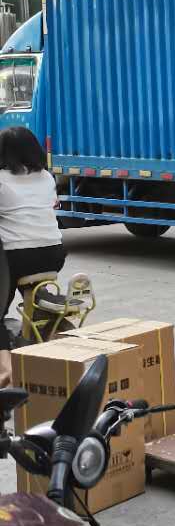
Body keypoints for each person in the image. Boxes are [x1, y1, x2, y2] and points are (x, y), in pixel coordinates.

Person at [0, 126, 64, 385]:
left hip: (18, 257)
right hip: (54, 254)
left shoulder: (2, 180)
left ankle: (6, 372)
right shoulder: (47, 178)